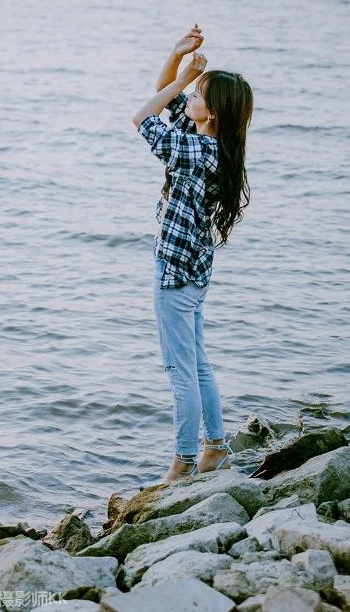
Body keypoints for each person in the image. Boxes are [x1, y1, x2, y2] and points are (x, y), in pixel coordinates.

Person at [131, 25, 254, 484]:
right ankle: (216, 449)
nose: (190, 97)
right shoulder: (209, 140)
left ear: (212, 111)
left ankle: (183, 461)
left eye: (198, 94)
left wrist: (184, 77)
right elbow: (163, 94)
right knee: (198, 365)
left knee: (180, 371)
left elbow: (143, 116)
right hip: (195, 271)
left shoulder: (193, 148)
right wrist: (177, 57)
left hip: (175, 273)